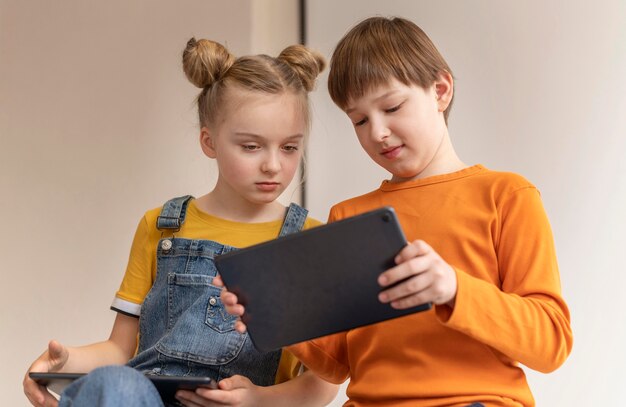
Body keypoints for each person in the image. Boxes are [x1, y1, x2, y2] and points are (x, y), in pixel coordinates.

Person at [220, 16, 573, 407]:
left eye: (392, 107)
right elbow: (336, 364)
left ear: (440, 91)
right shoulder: (348, 216)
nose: (378, 132)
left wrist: (454, 289)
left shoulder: (507, 195)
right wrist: (274, 313)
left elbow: (551, 343)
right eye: (359, 120)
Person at [23, 37, 338, 407]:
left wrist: (257, 399)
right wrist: (63, 362)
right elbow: (119, 350)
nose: (273, 165)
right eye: (251, 146)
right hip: (148, 398)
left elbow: (322, 385)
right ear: (209, 141)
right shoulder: (161, 225)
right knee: (115, 386)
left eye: (289, 147)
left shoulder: (310, 240)